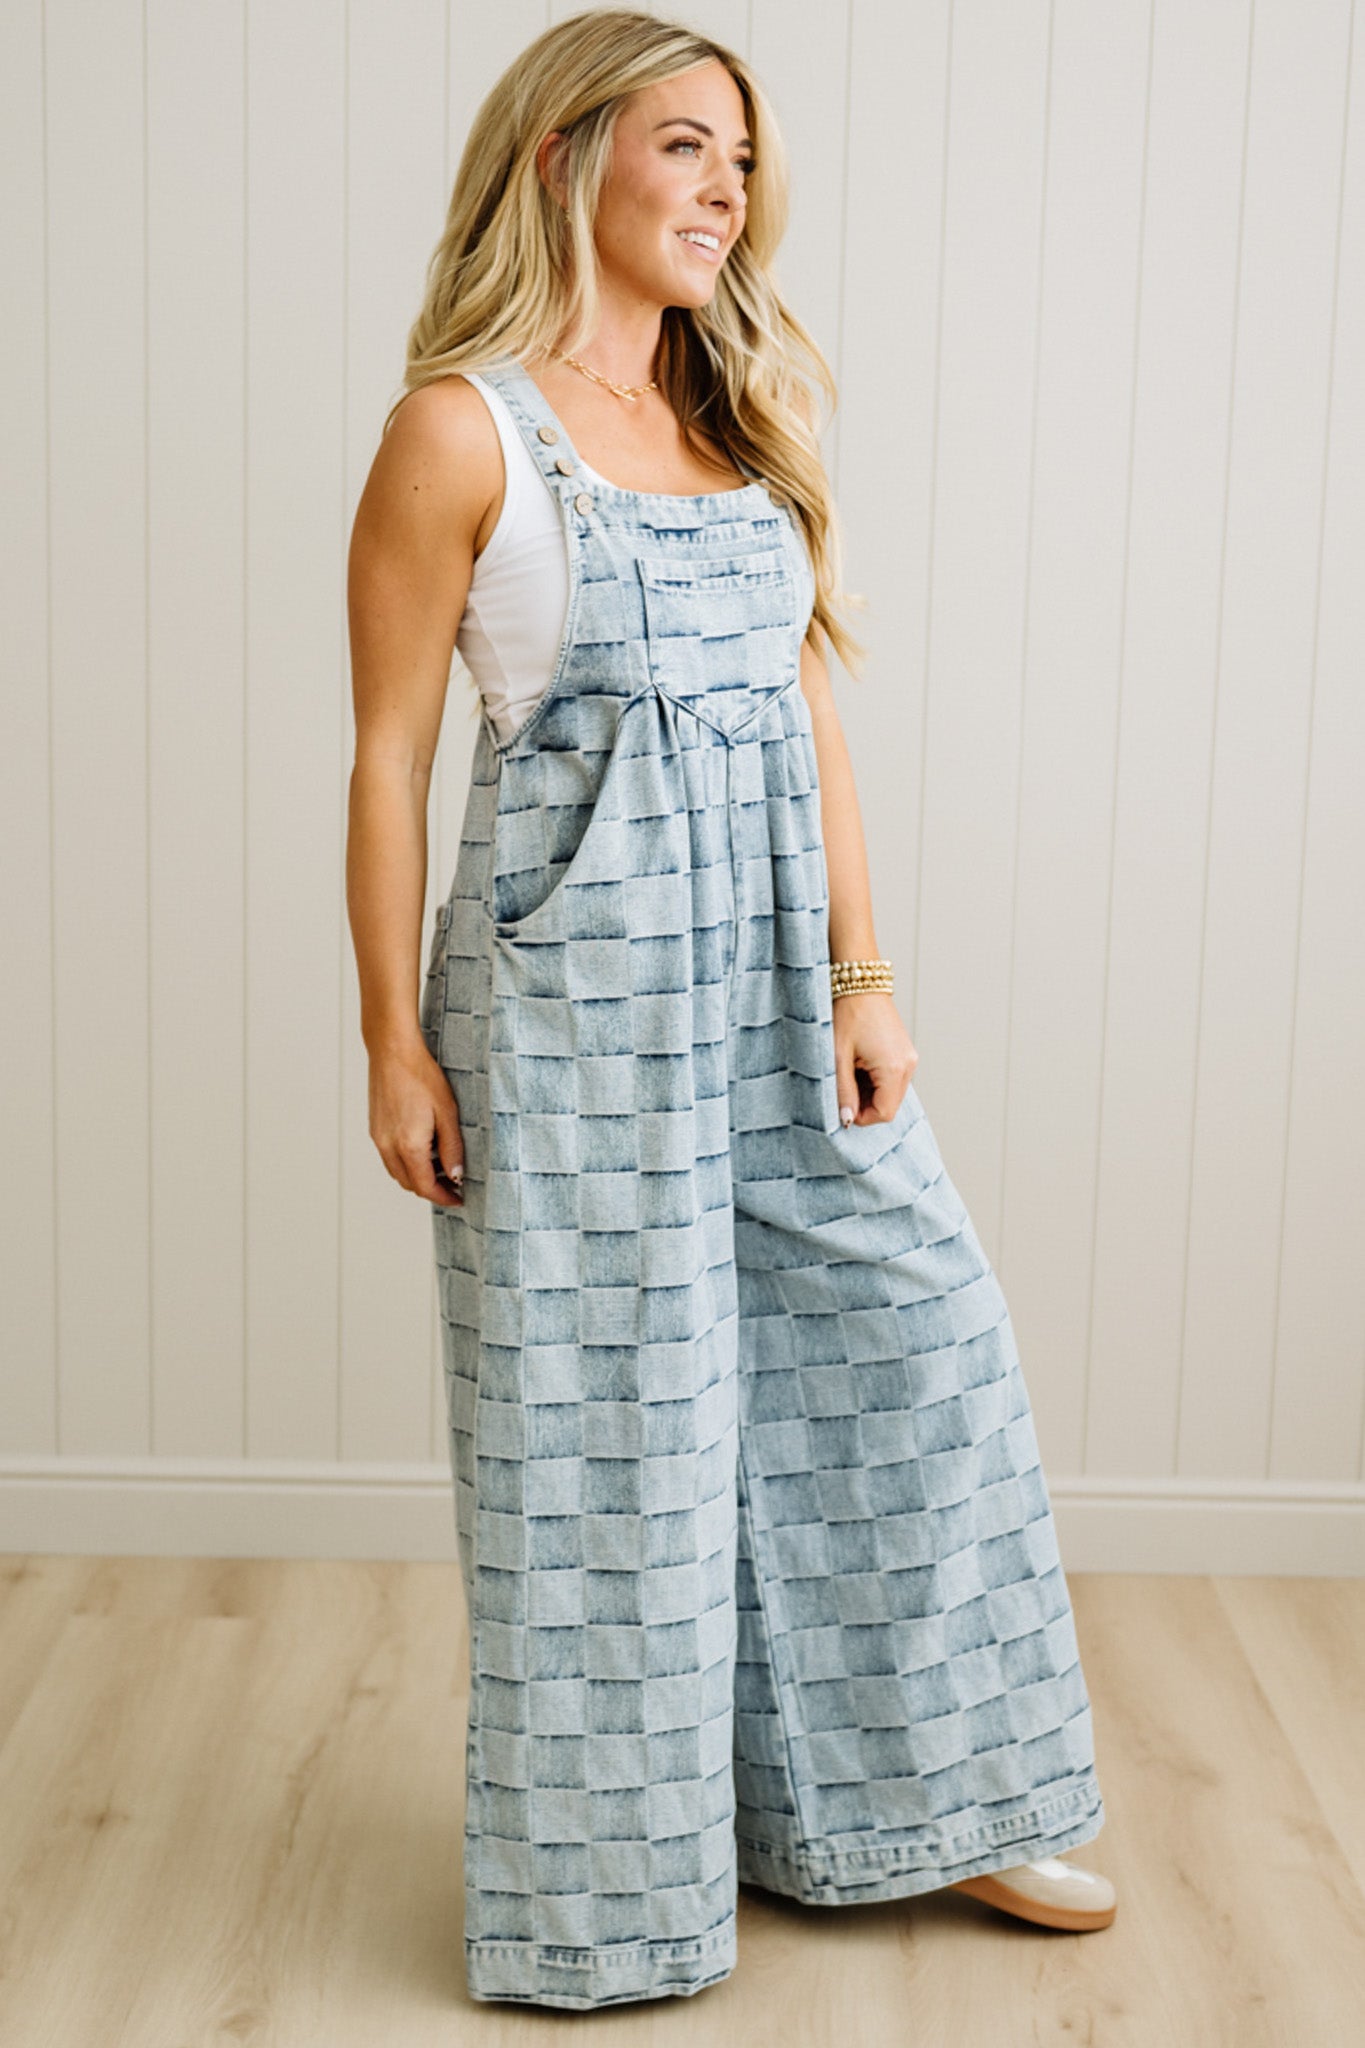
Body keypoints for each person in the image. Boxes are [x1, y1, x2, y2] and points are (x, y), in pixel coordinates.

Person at [346, 6, 1114, 2013]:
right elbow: (383, 755)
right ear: (560, 157)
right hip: (567, 1002)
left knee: (914, 1343)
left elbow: (806, 712)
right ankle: (613, 1902)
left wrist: (863, 978)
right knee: (612, 1451)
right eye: (685, 146)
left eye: (743, 162)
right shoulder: (461, 429)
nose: (726, 192)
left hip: (775, 985)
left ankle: (926, 1799)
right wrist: (385, 1041)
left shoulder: (734, 415)